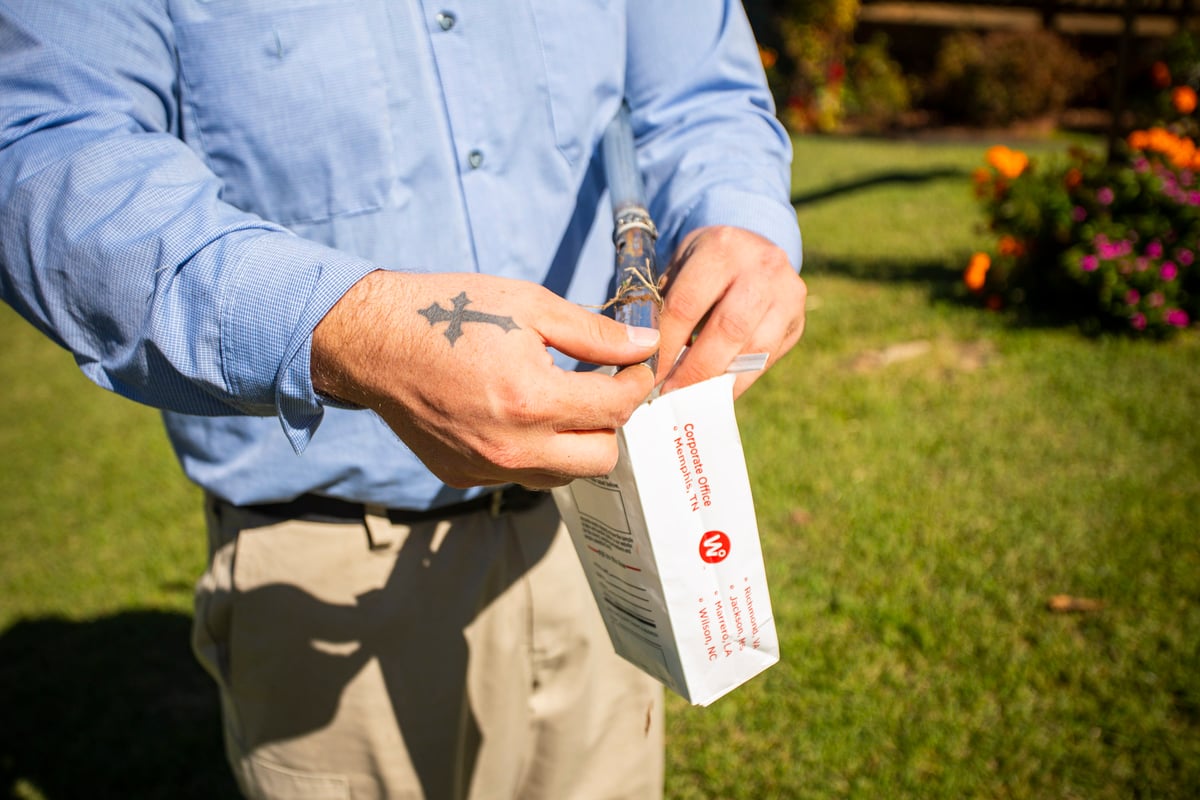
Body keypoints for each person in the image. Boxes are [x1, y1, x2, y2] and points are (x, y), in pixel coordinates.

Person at [0, 1, 806, 798]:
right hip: (324, 571)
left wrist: (742, 219)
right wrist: (354, 331)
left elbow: (700, 95)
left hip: (599, 537)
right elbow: (43, 152)